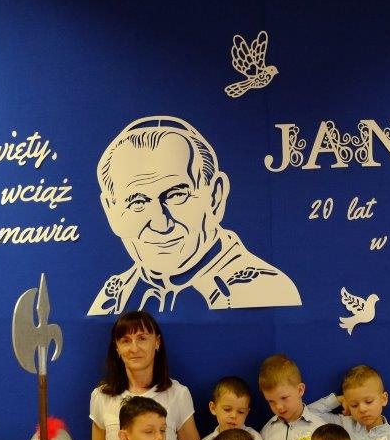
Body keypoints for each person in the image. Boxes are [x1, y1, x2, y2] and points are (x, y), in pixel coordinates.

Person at [91, 115, 300, 313]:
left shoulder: (267, 290)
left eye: (176, 195)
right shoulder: (111, 300)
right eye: (137, 202)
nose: (160, 223)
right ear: (111, 211)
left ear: (215, 196)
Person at [87, 309, 199, 440]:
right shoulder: (101, 397)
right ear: (117, 347)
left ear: (157, 342)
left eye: (142, 338)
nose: (134, 348)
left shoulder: (177, 394)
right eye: (126, 341)